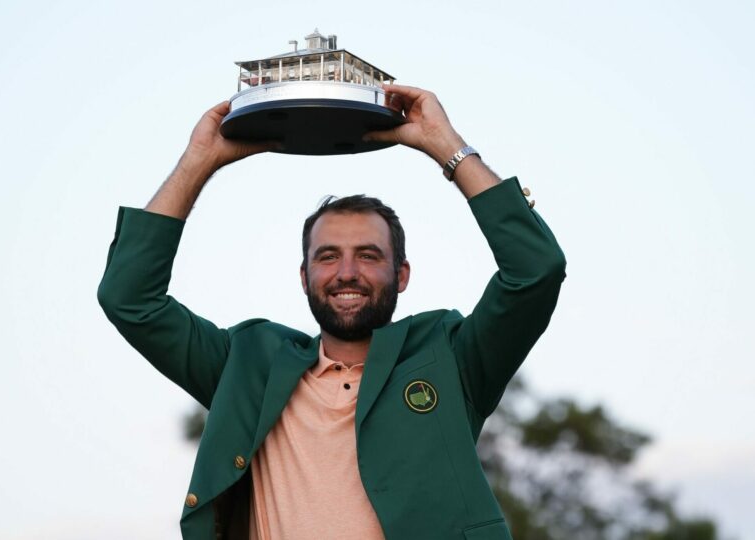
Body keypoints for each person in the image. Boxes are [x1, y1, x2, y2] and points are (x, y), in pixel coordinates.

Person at [97, 84, 566, 540]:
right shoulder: (245, 364)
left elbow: (535, 271)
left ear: (401, 275)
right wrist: (199, 160)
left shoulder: (451, 356)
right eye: (327, 256)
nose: (346, 272)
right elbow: (129, 298)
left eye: (367, 255)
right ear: (304, 276)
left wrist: (446, 147)